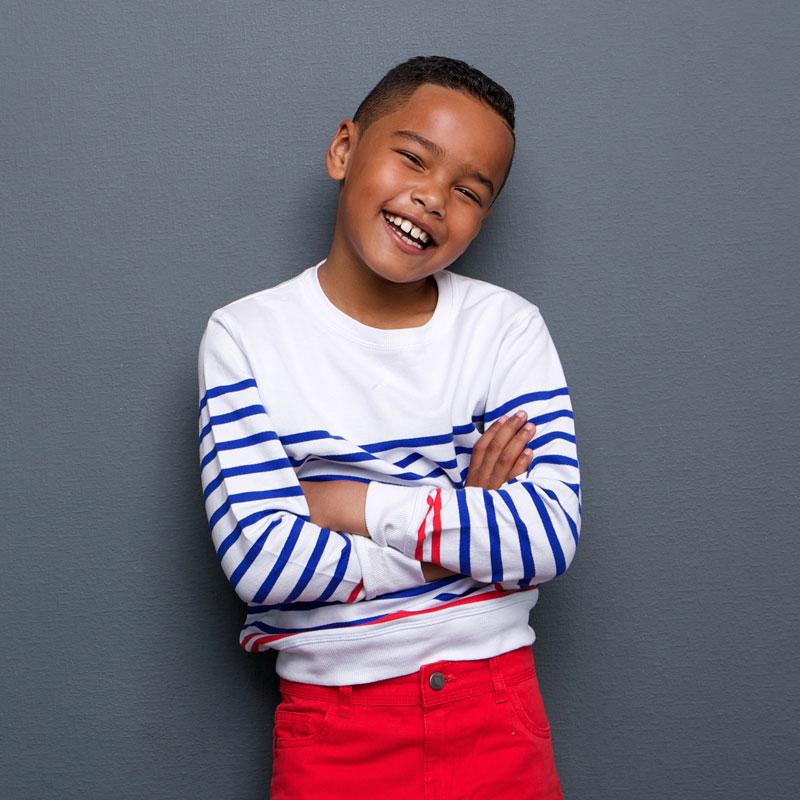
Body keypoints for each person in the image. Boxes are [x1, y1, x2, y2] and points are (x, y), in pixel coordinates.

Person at [197, 55, 581, 799]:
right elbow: (264, 563)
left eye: (469, 191)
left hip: (495, 711)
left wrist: (354, 506)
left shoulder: (505, 331)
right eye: (413, 157)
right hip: (333, 727)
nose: (431, 199)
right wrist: (465, 536)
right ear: (345, 149)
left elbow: (546, 538)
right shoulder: (245, 337)